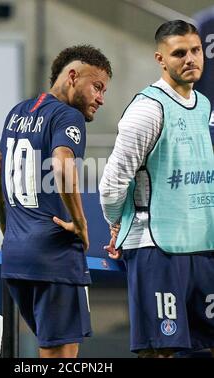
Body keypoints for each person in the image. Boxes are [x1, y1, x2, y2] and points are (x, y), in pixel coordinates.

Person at [99, 20, 214, 358]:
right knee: (159, 350)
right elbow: (112, 183)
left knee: (206, 344)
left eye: (195, 50)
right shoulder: (147, 110)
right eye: (179, 53)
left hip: (202, 245)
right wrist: (115, 223)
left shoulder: (206, 106)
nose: (190, 59)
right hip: (156, 247)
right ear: (161, 59)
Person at [0, 45, 112, 358]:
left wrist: (11, 233)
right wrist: (82, 223)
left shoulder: (18, 111)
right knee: (60, 355)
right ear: (72, 76)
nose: (101, 98)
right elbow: (62, 165)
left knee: (48, 348)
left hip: (16, 258)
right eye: (96, 87)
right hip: (53, 258)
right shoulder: (67, 115)